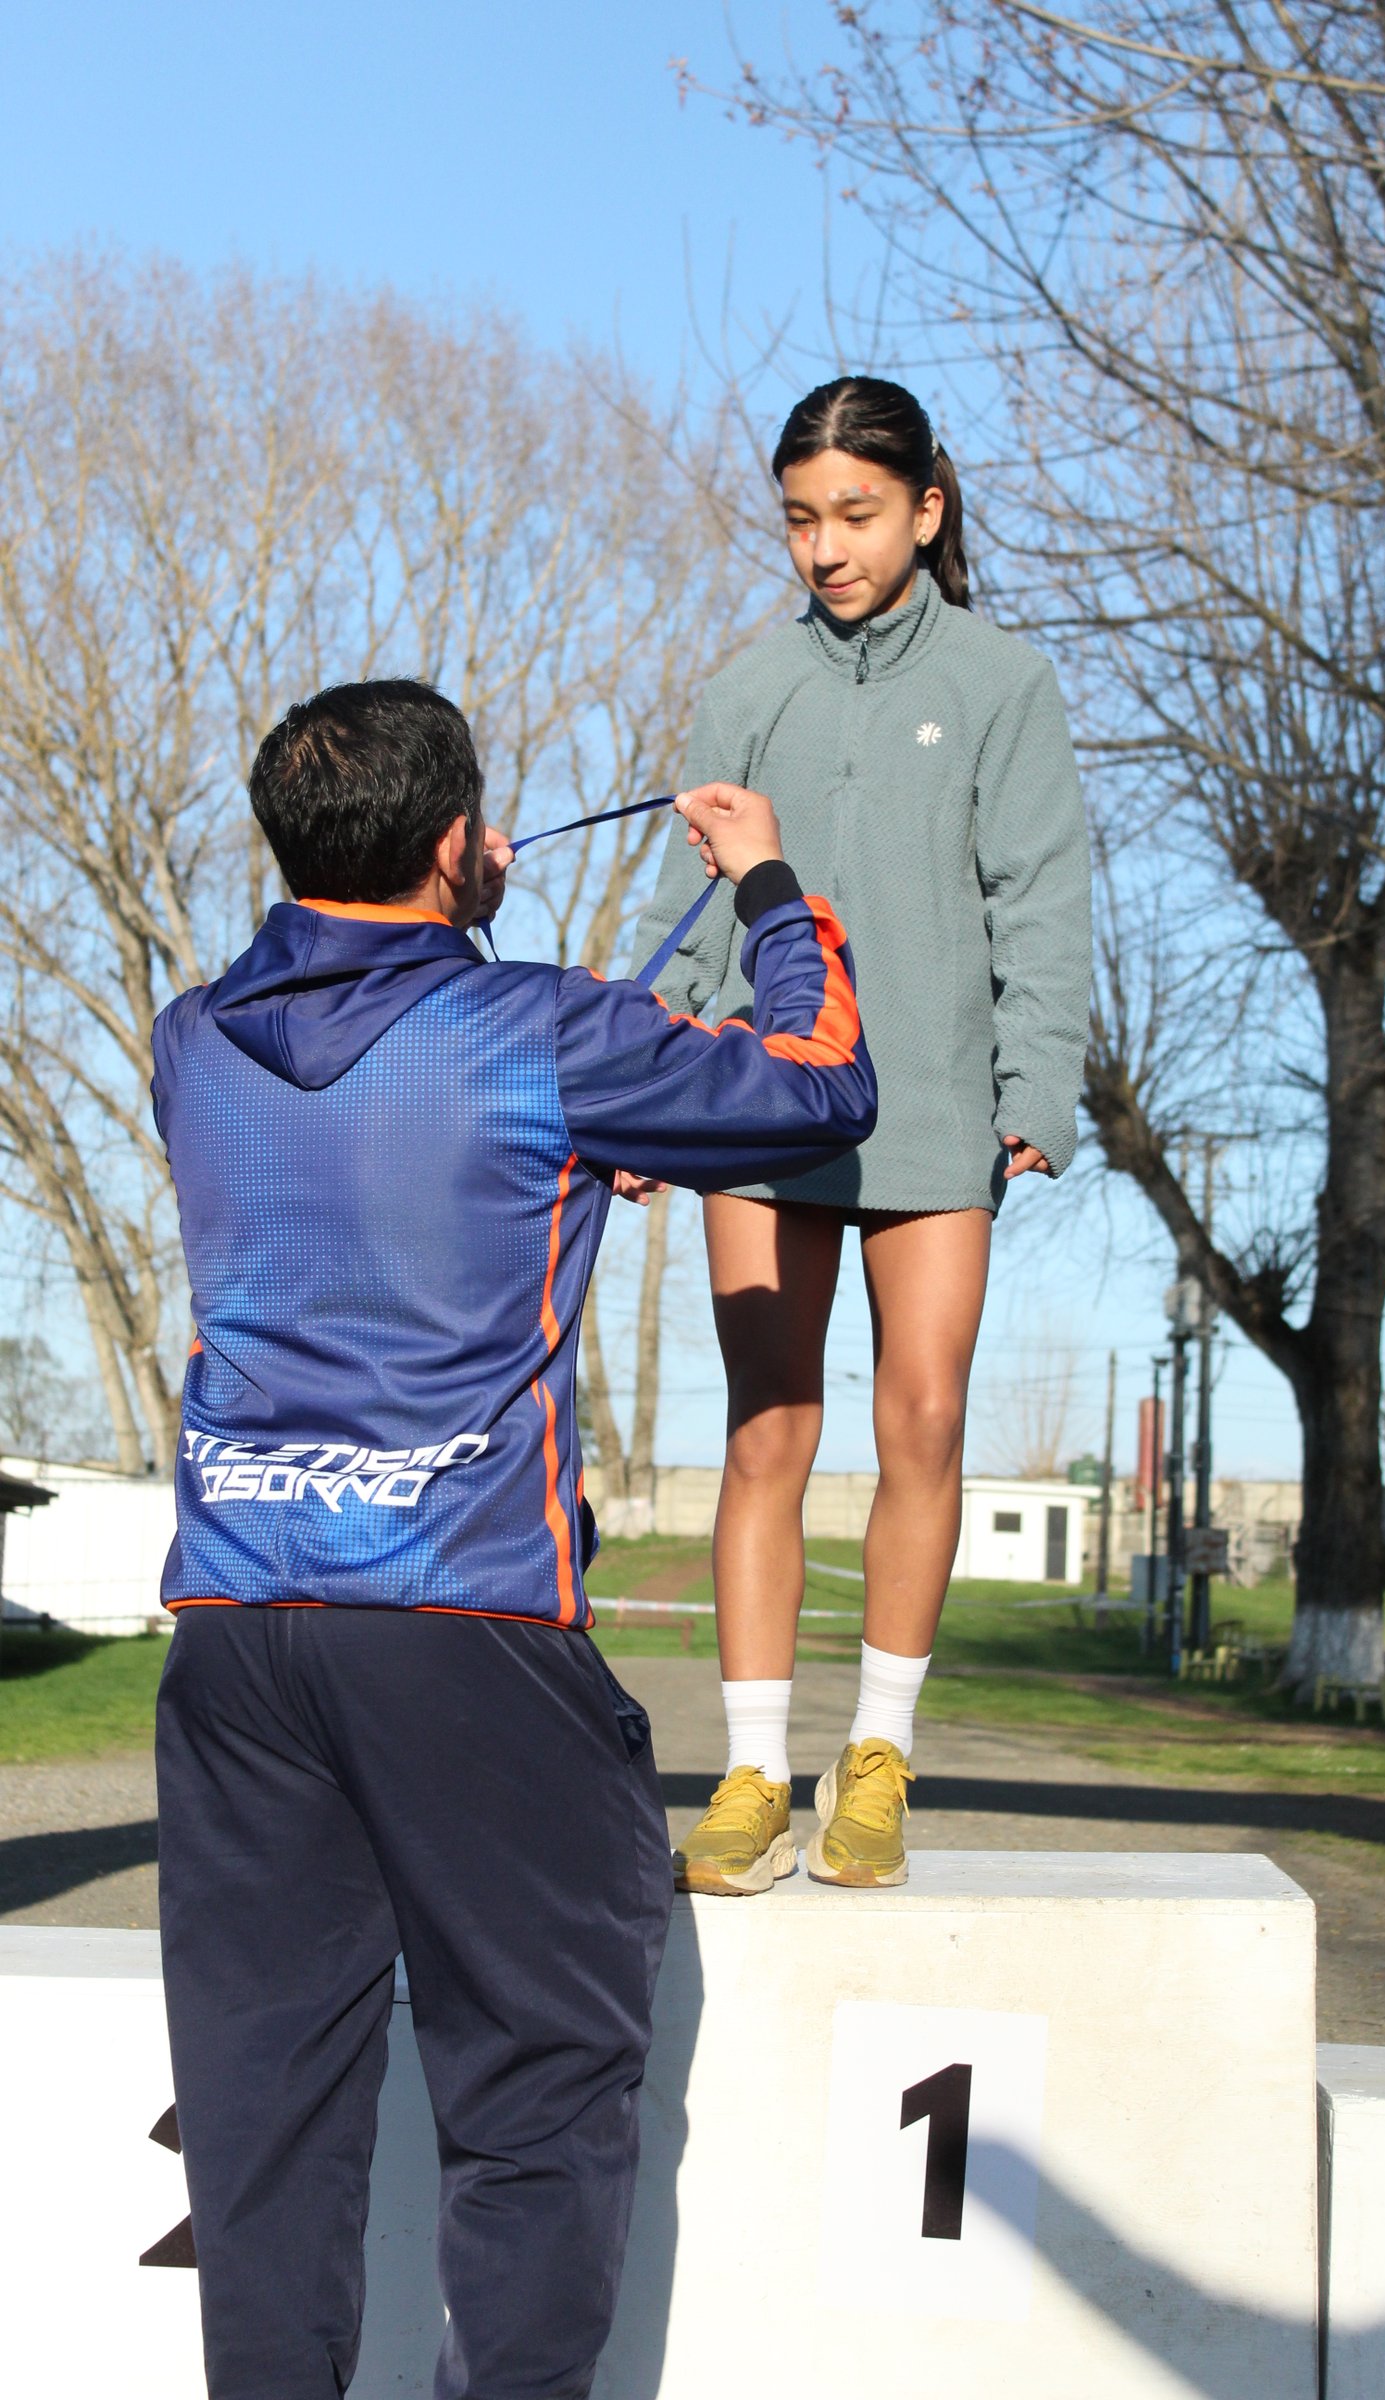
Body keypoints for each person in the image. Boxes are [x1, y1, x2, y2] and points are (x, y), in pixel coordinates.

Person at [150, 677, 874, 2400]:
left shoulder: (191, 1035)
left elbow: (383, 1150)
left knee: (264, 2123)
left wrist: (570, 1142)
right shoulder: (540, 1032)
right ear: (462, 843)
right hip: (465, 1626)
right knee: (540, 2097)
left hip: (238, 1631)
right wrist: (775, 891)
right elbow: (821, 1086)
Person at [630, 375, 1091, 1897]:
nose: (826, 547)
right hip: (764, 1099)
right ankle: (754, 1766)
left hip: (935, 1102)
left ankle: (876, 1757)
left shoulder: (1004, 682)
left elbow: (1038, 898)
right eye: (801, 519)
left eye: (856, 514)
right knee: (767, 1425)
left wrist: (1038, 1085)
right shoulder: (750, 687)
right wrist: (648, 1082)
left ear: (925, 511)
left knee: (928, 1420)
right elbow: (698, 911)